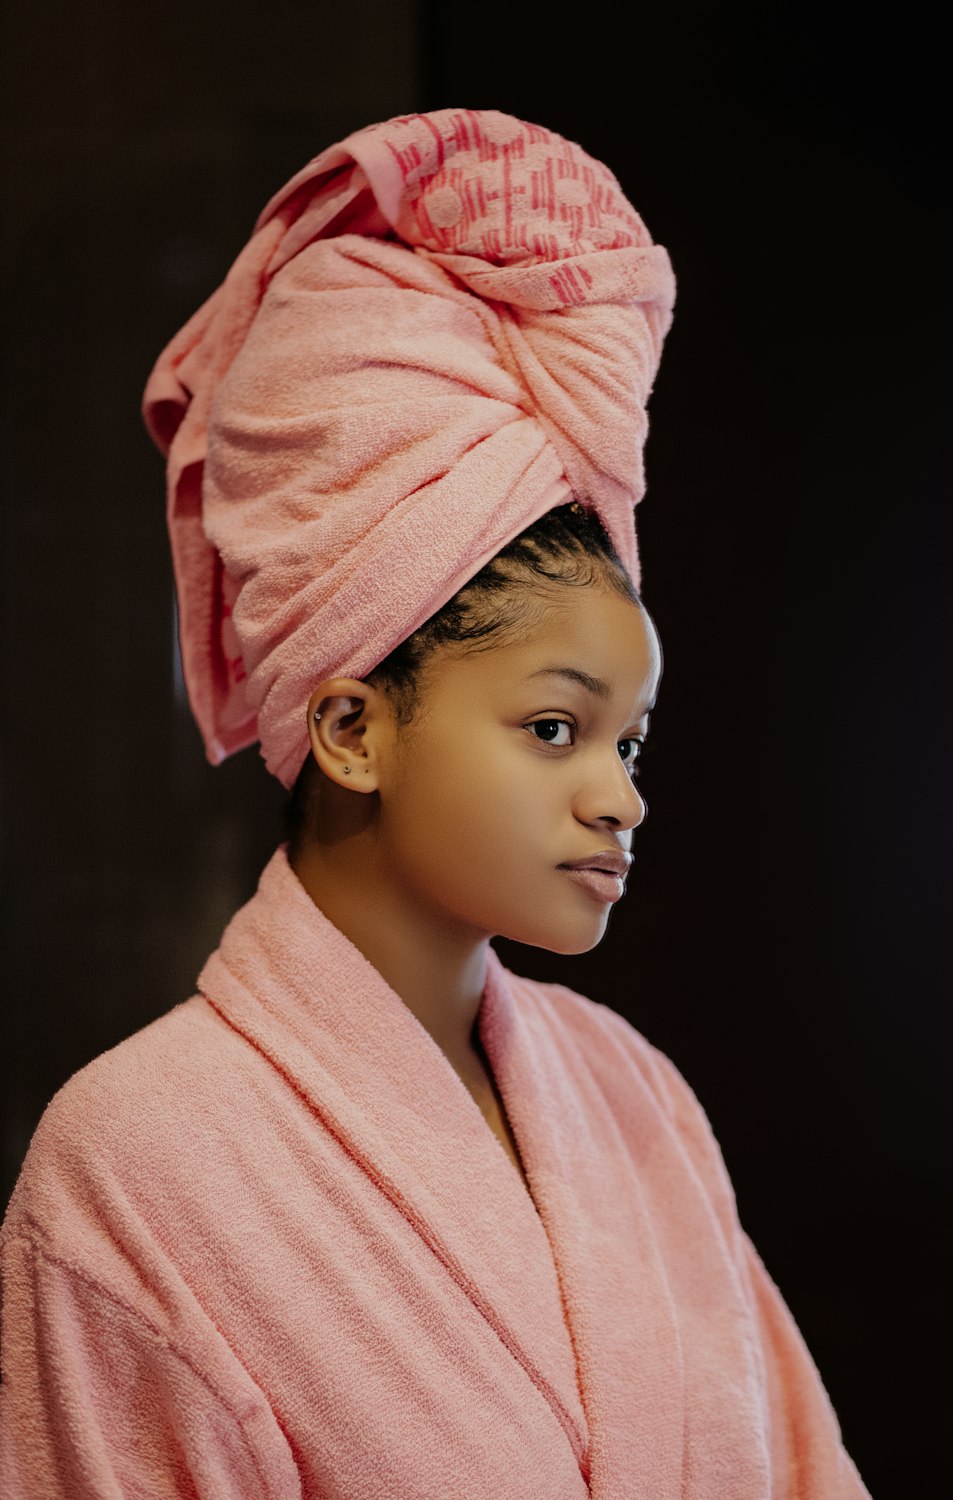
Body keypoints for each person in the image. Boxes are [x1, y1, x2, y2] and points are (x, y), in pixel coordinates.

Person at [0, 109, 870, 1498]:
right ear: (351, 728)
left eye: (630, 746)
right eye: (552, 729)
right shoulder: (130, 1166)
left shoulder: (633, 1096)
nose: (620, 801)